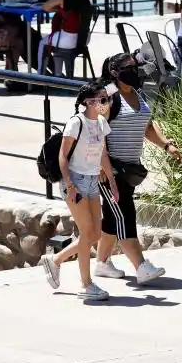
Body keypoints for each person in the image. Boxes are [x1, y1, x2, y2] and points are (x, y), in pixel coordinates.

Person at [90, 53, 179, 284]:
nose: (135, 70)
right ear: (114, 72)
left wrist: (167, 146)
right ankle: (141, 266)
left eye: (135, 66)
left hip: (129, 171)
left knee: (112, 218)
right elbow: (94, 131)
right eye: (128, 67)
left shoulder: (137, 95)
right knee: (125, 216)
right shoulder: (107, 97)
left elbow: (147, 127)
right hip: (111, 172)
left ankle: (101, 263)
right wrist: (101, 165)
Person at [39, 81, 118, 301]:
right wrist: (70, 185)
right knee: (87, 233)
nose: (106, 103)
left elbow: (102, 153)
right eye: (102, 99)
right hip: (74, 181)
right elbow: (62, 156)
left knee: (95, 233)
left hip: (93, 180)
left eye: (106, 99)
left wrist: (111, 180)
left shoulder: (101, 123)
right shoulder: (76, 122)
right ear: (88, 102)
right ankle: (86, 285)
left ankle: (55, 261)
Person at [37, 0, 90, 77]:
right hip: (83, 38)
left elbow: (45, 7)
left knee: (43, 43)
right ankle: (58, 74)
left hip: (69, 39)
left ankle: (40, 75)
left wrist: (57, 8)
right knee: (58, 44)